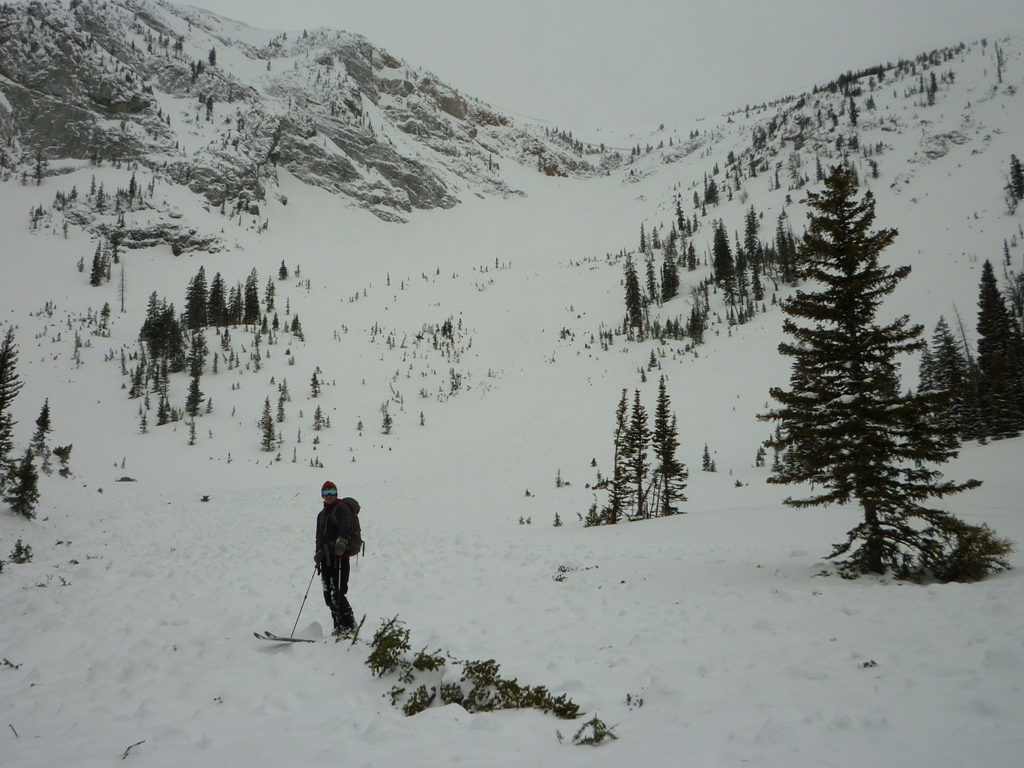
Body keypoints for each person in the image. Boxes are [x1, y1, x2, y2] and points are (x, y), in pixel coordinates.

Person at [314, 480, 361, 634]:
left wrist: (342, 540)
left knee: (338, 593)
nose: (329, 496)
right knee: (328, 594)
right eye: (326, 493)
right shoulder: (321, 514)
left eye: (332, 492)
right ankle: (338, 626)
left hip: (340, 556)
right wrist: (318, 552)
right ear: (321, 495)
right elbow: (319, 536)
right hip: (326, 558)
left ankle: (349, 626)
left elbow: (346, 527)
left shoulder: (342, 509)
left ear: (336, 494)